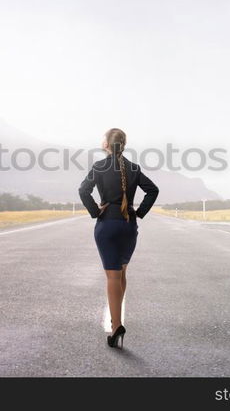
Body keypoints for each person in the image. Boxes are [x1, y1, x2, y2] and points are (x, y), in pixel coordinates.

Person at [78, 127, 159, 349]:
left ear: (106, 144)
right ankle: (116, 321)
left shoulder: (99, 166)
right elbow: (153, 190)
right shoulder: (133, 168)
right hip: (128, 225)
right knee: (121, 272)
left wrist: (96, 211)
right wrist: (139, 212)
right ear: (123, 145)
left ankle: (116, 326)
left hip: (108, 225)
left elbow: (83, 190)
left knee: (112, 276)